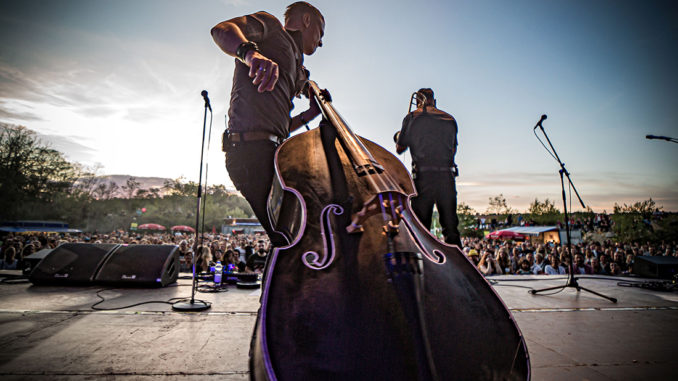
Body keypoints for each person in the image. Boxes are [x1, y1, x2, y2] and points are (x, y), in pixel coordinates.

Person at [211, 2, 326, 247]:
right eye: (321, 32)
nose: (321, 42)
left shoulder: (299, 67)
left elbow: (280, 127)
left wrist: (310, 115)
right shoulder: (271, 27)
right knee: (291, 237)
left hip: (273, 153)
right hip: (250, 153)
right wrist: (250, 54)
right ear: (306, 20)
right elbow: (221, 30)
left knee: (297, 234)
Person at [395, 88, 461, 247]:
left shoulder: (412, 117)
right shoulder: (449, 118)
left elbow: (399, 148)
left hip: (423, 178)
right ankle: (461, 269)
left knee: (421, 228)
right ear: (434, 100)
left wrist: (400, 135)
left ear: (418, 101)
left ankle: (425, 268)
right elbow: (453, 150)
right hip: (447, 177)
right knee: (451, 228)